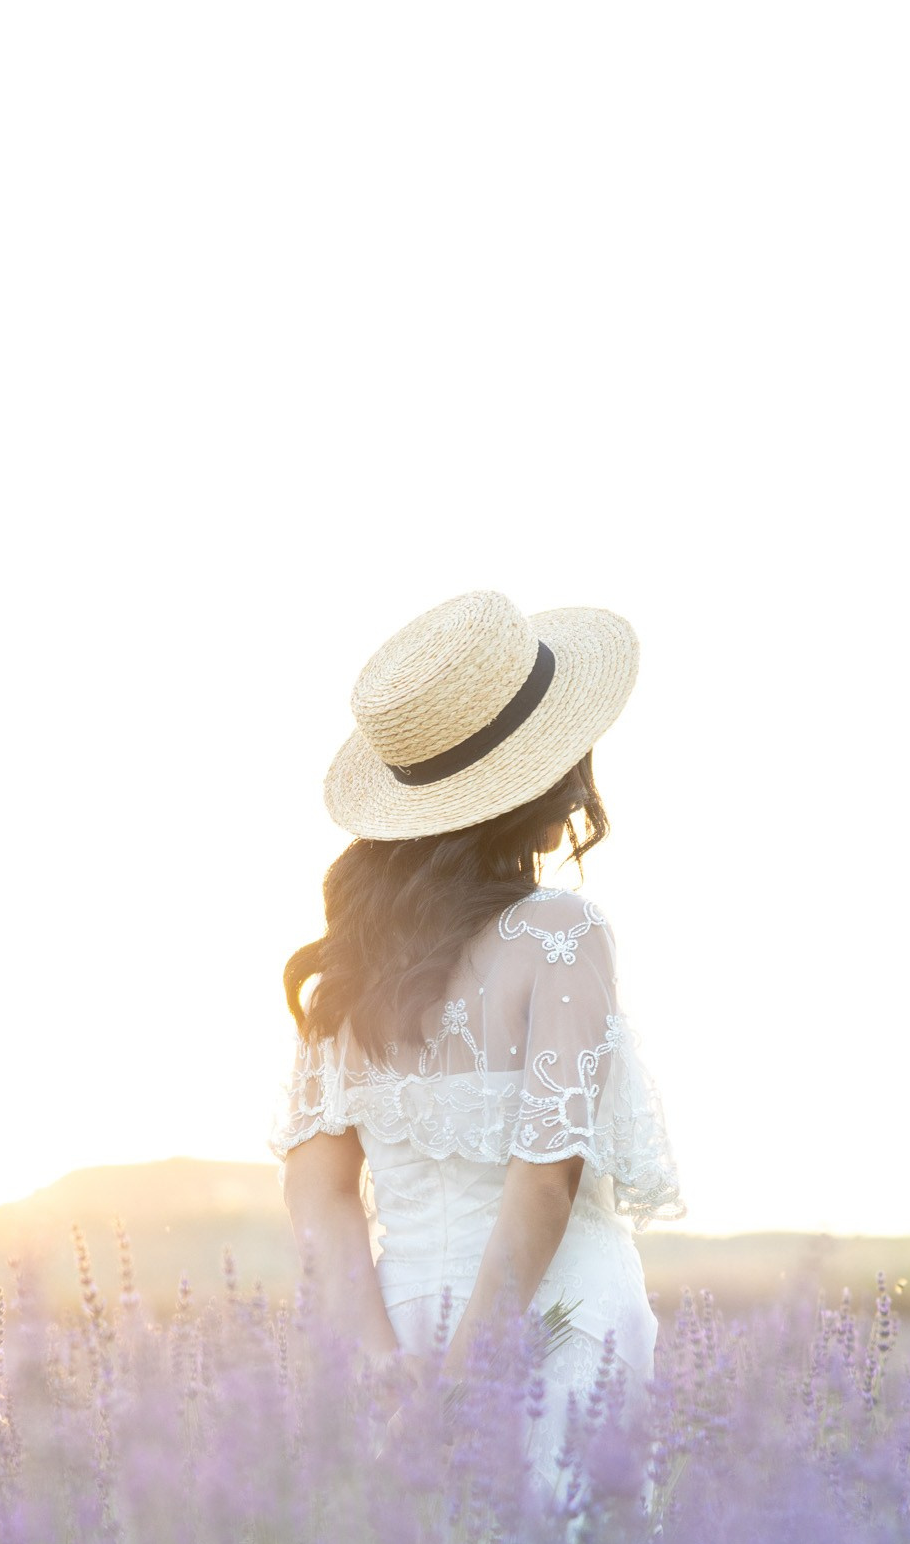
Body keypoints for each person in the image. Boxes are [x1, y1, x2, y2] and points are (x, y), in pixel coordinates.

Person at [275, 590, 681, 1473]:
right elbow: (544, 1181)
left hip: (398, 1325)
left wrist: (389, 1381)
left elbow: (319, 1194)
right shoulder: (561, 933)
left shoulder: (348, 965)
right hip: (554, 1328)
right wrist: (467, 1387)